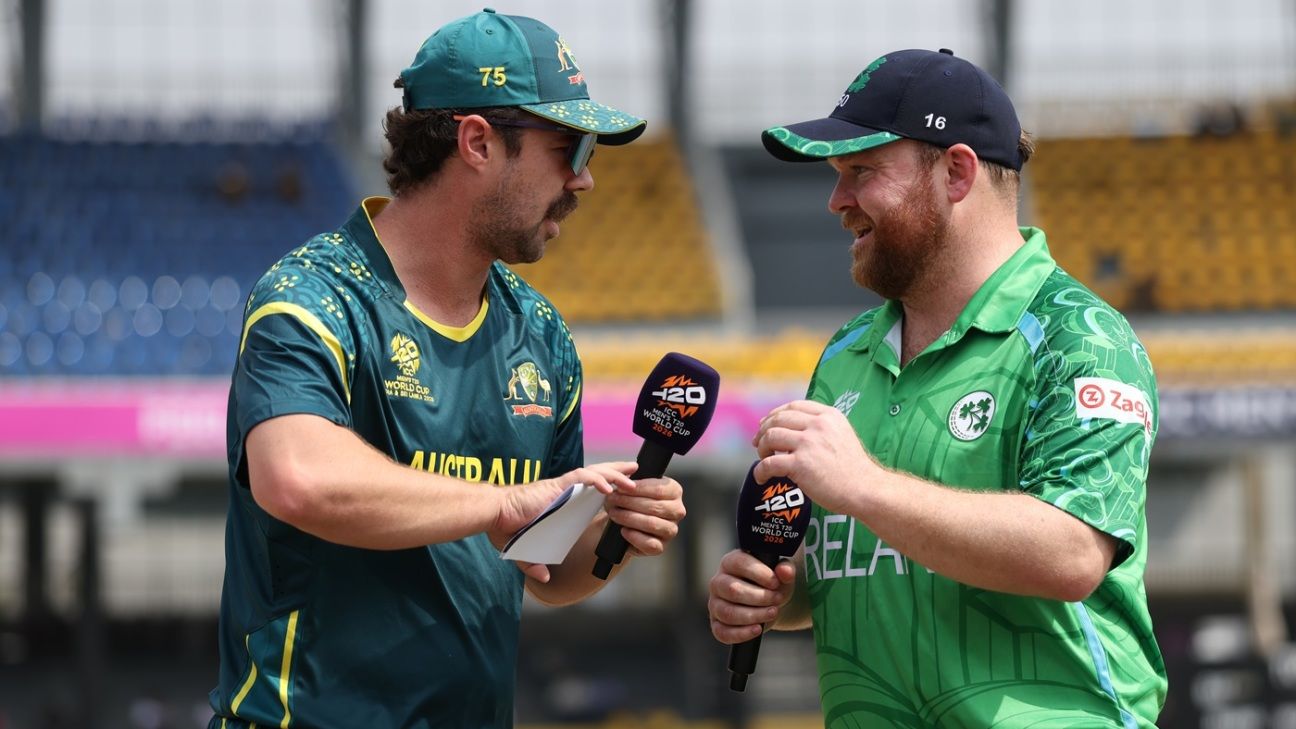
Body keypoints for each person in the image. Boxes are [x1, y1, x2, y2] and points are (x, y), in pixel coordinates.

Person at [208, 9, 686, 728]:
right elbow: (298, 477)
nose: (585, 181)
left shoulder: (541, 333)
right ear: (476, 143)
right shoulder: (312, 295)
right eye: (573, 147)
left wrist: (615, 528)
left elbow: (546, 568)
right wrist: (499, 503)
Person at [707, 49, 1166, 727]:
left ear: (956, 172)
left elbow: (1071, 552)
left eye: (860, 171)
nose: (836, 201)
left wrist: (862, 483)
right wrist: (780, 592)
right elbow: (863, 562)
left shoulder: (1080, 336)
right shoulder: (844, 353)